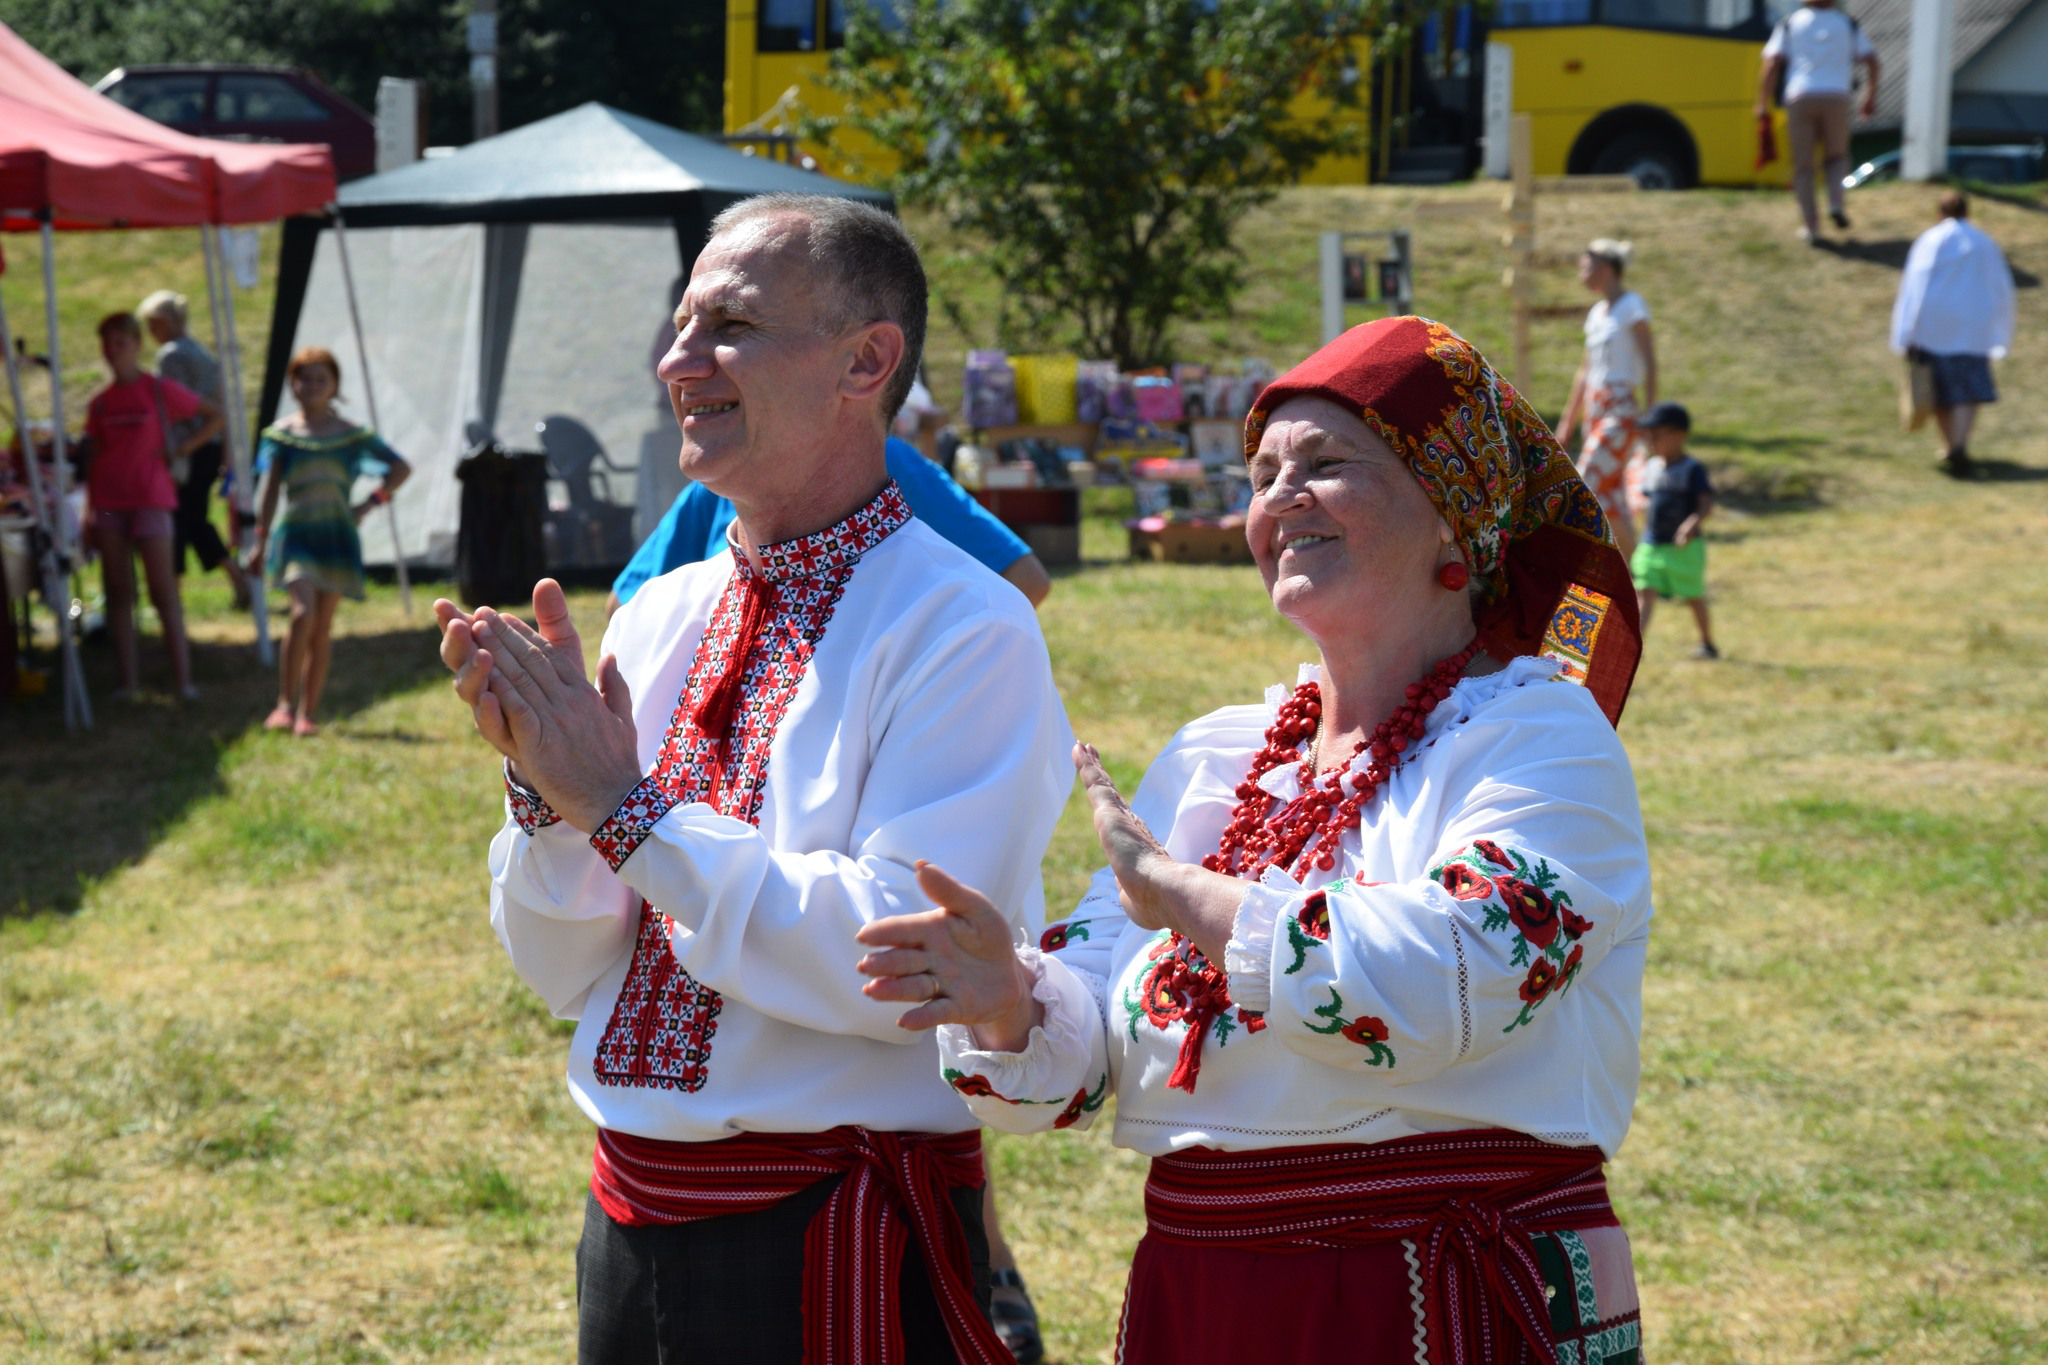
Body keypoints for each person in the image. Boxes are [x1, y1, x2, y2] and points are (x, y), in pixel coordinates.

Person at [857, 315, 1652, 1364]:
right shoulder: (1214, 758)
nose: (1278, 500)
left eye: (1325, 466)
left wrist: (1186, 897)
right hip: (1206, 1289)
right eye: (1261, 475)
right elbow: (1089, 1044)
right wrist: (1007, 999)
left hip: (1435, 1285)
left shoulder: (1535, 735)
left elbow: (1452, 973)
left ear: (1455, 521)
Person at [433, 193, 1072, 1364]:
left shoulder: (961, 625)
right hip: (626, 1216)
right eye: (680, 324)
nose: (678, 360)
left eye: (728, 324)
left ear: (864, 360)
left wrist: (625, 812)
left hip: (829, 1231)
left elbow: (899, 959)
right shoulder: (659, 613)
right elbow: (567, 967)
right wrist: (551, 805)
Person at [608, 435, 1051, 619]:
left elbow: (1023, 580)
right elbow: (623, 608)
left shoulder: (886, 461)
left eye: (739, 328)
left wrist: (903, 645)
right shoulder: (723, 480)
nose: (680, 364)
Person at [251, 347, 410, 737]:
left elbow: (400, 467)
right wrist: (259, 539)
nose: (312, 386)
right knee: (302, 613)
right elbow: (270, 491)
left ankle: (308, 713)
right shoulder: (282, 435)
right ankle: (284, 703)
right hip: (297, 535)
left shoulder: (351, 435)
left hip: (337, 535)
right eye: (304, 378)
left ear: (335, 385)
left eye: (321, 379)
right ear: (293, 384)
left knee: (321, 627)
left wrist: (369, 504)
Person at [78, 312, 224, 701]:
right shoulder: (100, 404)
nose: (113, 351)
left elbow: (213, 415)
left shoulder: (158, 390)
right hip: (109, 503)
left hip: (151, 498)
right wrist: (89, 511)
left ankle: (183, 680)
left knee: (163, 590)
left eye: (120, 343)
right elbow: (93, 458)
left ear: (137, 345)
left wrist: (181, 448)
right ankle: (129, 682)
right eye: (107, 344)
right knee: (118, 589)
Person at [138, 290, 252, 610]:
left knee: (181, 519)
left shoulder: (172, 356)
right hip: (209, 447)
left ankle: (180, 591)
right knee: (190, 518)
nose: (150, 333)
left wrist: (182, 446)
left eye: (153, 324)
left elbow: (176, 405)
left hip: (189, 448)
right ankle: (229, 577)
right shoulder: (200, 351)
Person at [1891, 190, 2015, 480]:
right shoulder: (1984, 243)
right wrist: (1999, 325)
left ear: (1940, 212)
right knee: (1968, 391)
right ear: (1967, 212)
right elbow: (2001, 287)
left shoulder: (1930, 240)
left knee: (1942, 393)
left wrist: (1907, 330)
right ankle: (1958, 444)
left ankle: (1951, 445)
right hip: (1974, 326)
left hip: (1935, 326)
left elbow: (1916, 285)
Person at [1556, 238, 1654, 560]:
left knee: (1586, 485)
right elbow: (1585, 372)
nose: (1582, 271)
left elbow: (1650, 362)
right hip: (1595, 410)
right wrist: (1567, 422)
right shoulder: (1597, 313)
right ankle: (1638, 573)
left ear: (1607, 266)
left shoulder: (1632, 307)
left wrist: (1650, 416)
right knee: (1610, 498)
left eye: (1587, 264)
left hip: (1621, 411)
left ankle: (1575, 567)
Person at [1758, 0, 1878, 244]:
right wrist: (1869, 96)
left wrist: (1761, 102)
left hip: (1800, 97)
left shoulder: (1791, 23)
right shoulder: (1847, 23)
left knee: (1803, 166)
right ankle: (1835, 202)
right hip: (1837, 96)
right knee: (1837, 156)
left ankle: (1811, 225)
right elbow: (1872, 60)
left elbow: (1772, 62)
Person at [1630, 402, 1717, 659]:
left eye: (1656, 435)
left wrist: (1690, 525)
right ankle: (1635, 646)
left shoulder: (1692, 469)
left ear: (1679, 435)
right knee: (1645, 589)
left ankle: (1707, 643)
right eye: (1647, 436)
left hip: (1684, 548)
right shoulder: (1651, 467)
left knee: (1693, 595)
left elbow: (1706, 503)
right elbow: (1649, 501)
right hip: (1652, 544)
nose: (1650, 441)